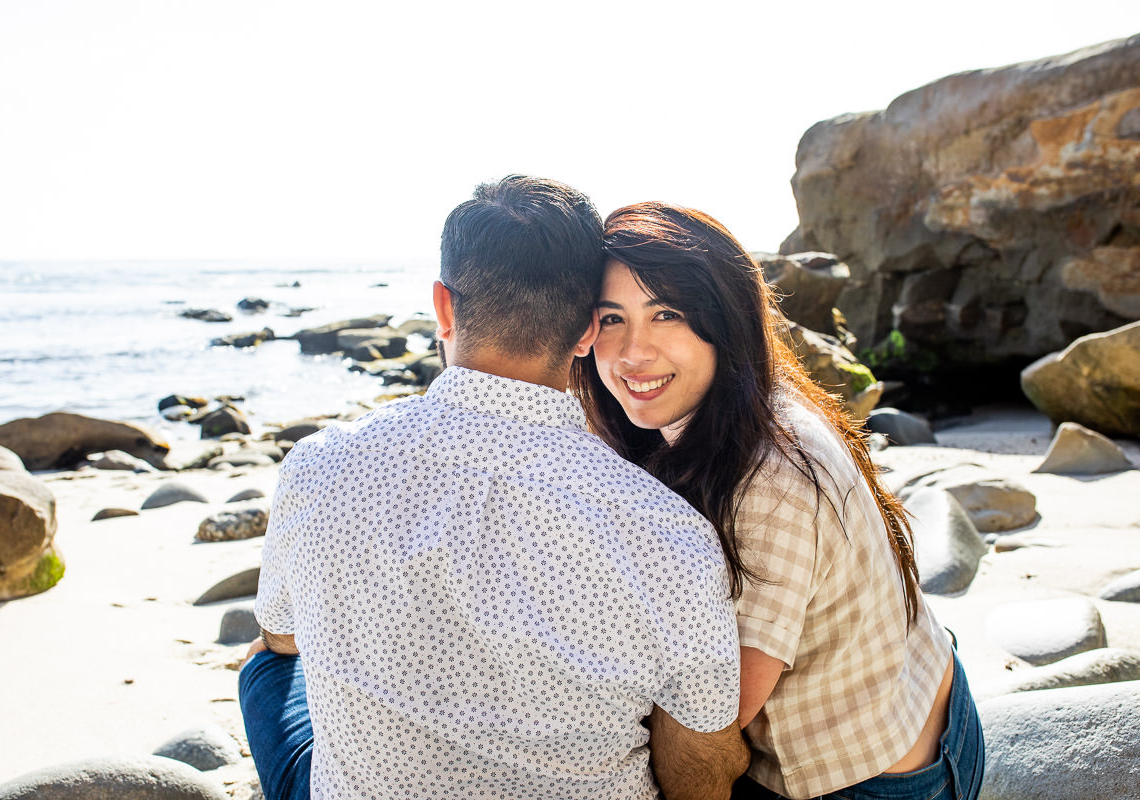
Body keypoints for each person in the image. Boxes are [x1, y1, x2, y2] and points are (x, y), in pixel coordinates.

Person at [239, 177, 749, 800]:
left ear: (444, 308)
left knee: (266, 669)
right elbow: (700, 770)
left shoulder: (318, 466)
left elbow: (282, 635)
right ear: (589, 331)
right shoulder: (668, 532)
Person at [570, 202, 984, 800]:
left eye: (667, 314)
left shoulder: (773, 476)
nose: (634, 352)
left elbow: (711, 715)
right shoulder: (727, 405)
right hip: (916, 693)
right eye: (611, 319)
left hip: (882, 778)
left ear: (726, 319)